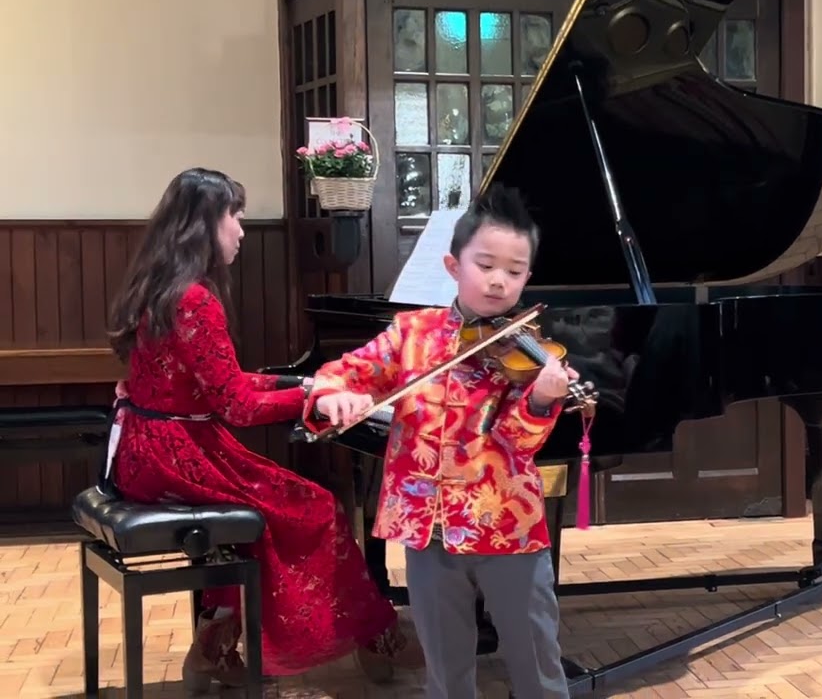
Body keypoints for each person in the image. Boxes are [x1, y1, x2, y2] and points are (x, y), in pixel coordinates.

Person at [105, 168, 422, 692]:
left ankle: (217, 643)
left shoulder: (158, 288)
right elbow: (237, 407)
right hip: (178, 453)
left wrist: (295, 380)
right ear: (206, 225)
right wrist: (312, 394)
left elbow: (215, 384)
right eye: (236, 217)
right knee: (312, 507)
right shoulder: (195, 301)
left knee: (278, 511)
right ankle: (368, 634)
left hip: (148, 450)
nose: (242, 231)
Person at [303, 183, 576, 699]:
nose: (499, 281)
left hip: (505, 525)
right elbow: (349, 371)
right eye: (486, 264)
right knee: (446, 670)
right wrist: (332, 393)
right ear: (454, 266)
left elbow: (519, 444)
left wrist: (542, 400)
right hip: (425, 525)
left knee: (536, 661)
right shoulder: (412, 332)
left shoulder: (529, 351)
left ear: (527, 279)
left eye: (514, 272)